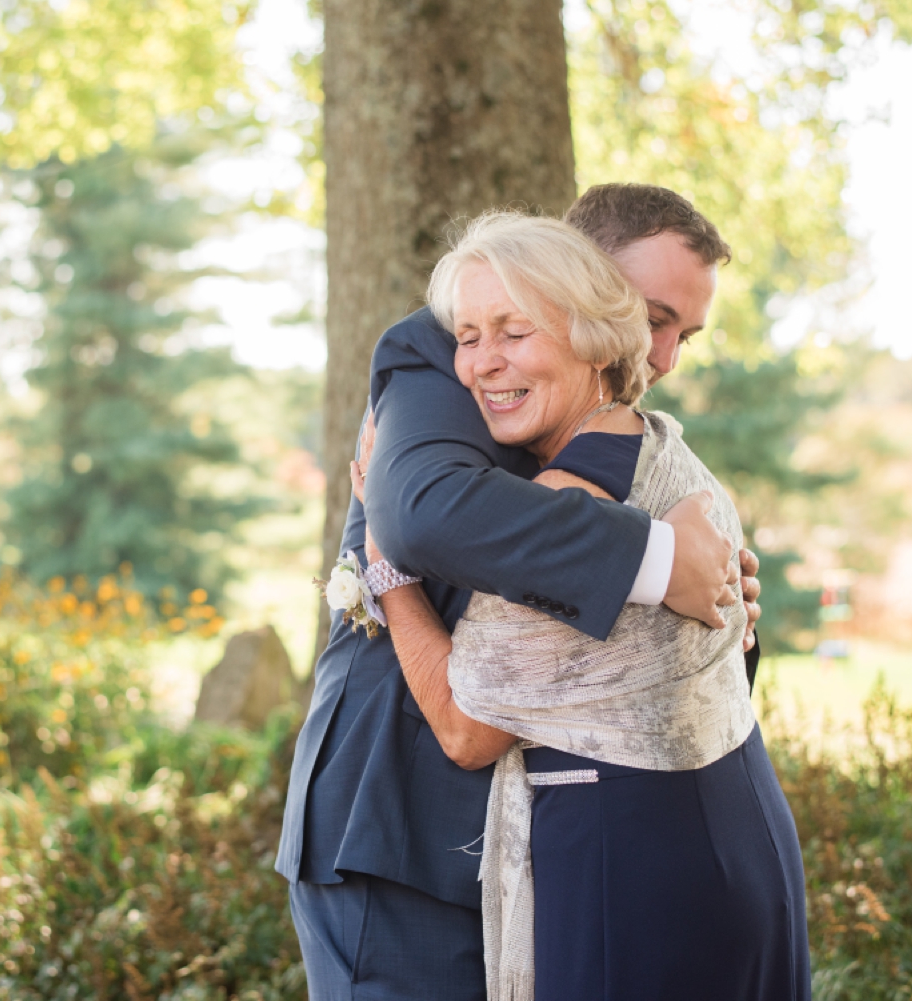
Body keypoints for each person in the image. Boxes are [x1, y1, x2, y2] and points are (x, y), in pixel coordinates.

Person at [277, 184, 762, 1000]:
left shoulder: (615, 425)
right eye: (652, 318)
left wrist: (722, 599)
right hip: (396, 826)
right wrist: (654, 559)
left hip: (538, 843)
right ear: (572, 277)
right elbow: (419, 512)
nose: (666, 355)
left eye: (683, 330)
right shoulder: (434, 359)